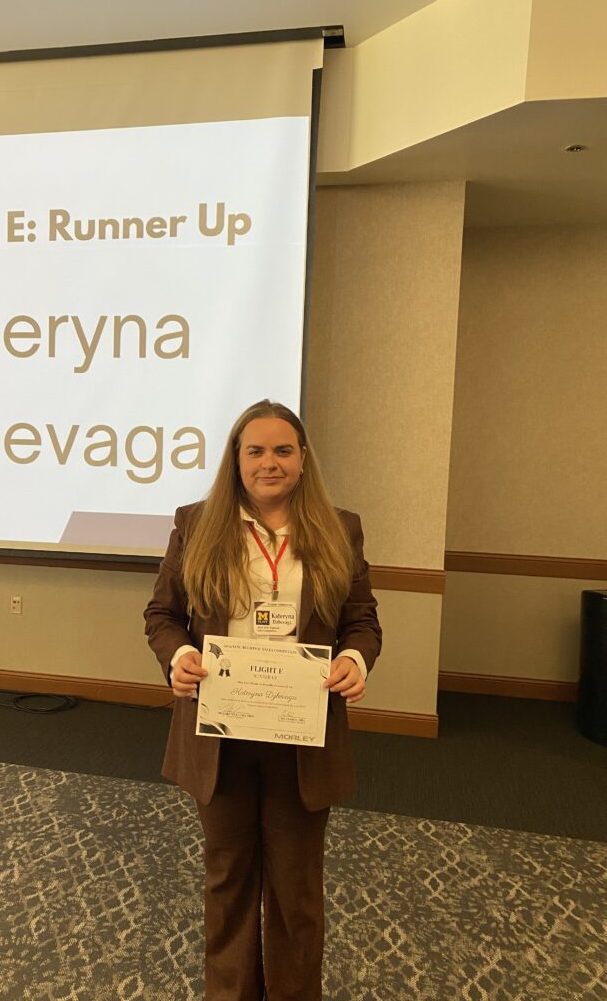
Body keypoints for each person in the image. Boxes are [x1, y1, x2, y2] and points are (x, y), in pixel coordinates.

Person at [144, 399, 381, 1001]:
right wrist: (178, 658)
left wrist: (354, 661)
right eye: (256, 451)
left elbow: (362, 622)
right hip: (220, 729)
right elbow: (163, 616)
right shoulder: (197, 524)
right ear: (237, 459)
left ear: (303, 459)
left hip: (302, 733)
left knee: (296, 889)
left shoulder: (340, 527)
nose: (269, 462)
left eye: (283, 450)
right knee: (228, 882)